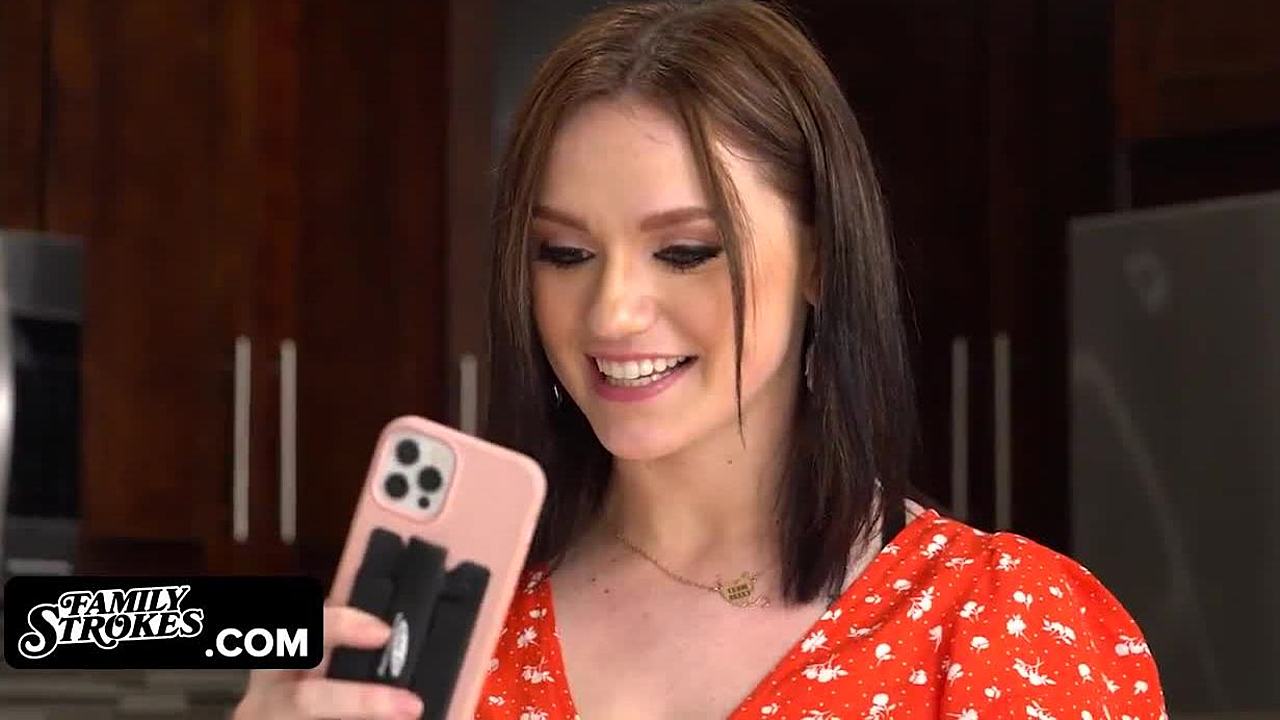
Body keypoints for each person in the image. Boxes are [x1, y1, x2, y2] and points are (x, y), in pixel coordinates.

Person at [234, 1, 1167, 718]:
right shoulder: (436, 641)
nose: (612, 310)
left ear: (822, 259)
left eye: (685, 251)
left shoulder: (1003, 626)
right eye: (565, 253)